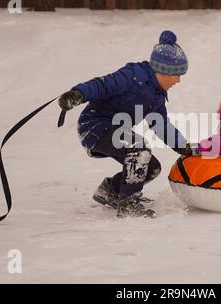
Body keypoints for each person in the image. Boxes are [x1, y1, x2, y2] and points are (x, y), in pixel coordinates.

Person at [58, 30, 199, 218]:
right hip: (95, 125)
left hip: (115, 129)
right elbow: (102, 85)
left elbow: (161, 126)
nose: (178, 80)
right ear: (165, 71)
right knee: (139, 149)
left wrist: (183, 146)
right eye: (177, 75)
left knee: (151, 167)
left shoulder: (156, 97)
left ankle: (111, 191)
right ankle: (128, 203)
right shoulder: (132, 76)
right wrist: (78, 94)